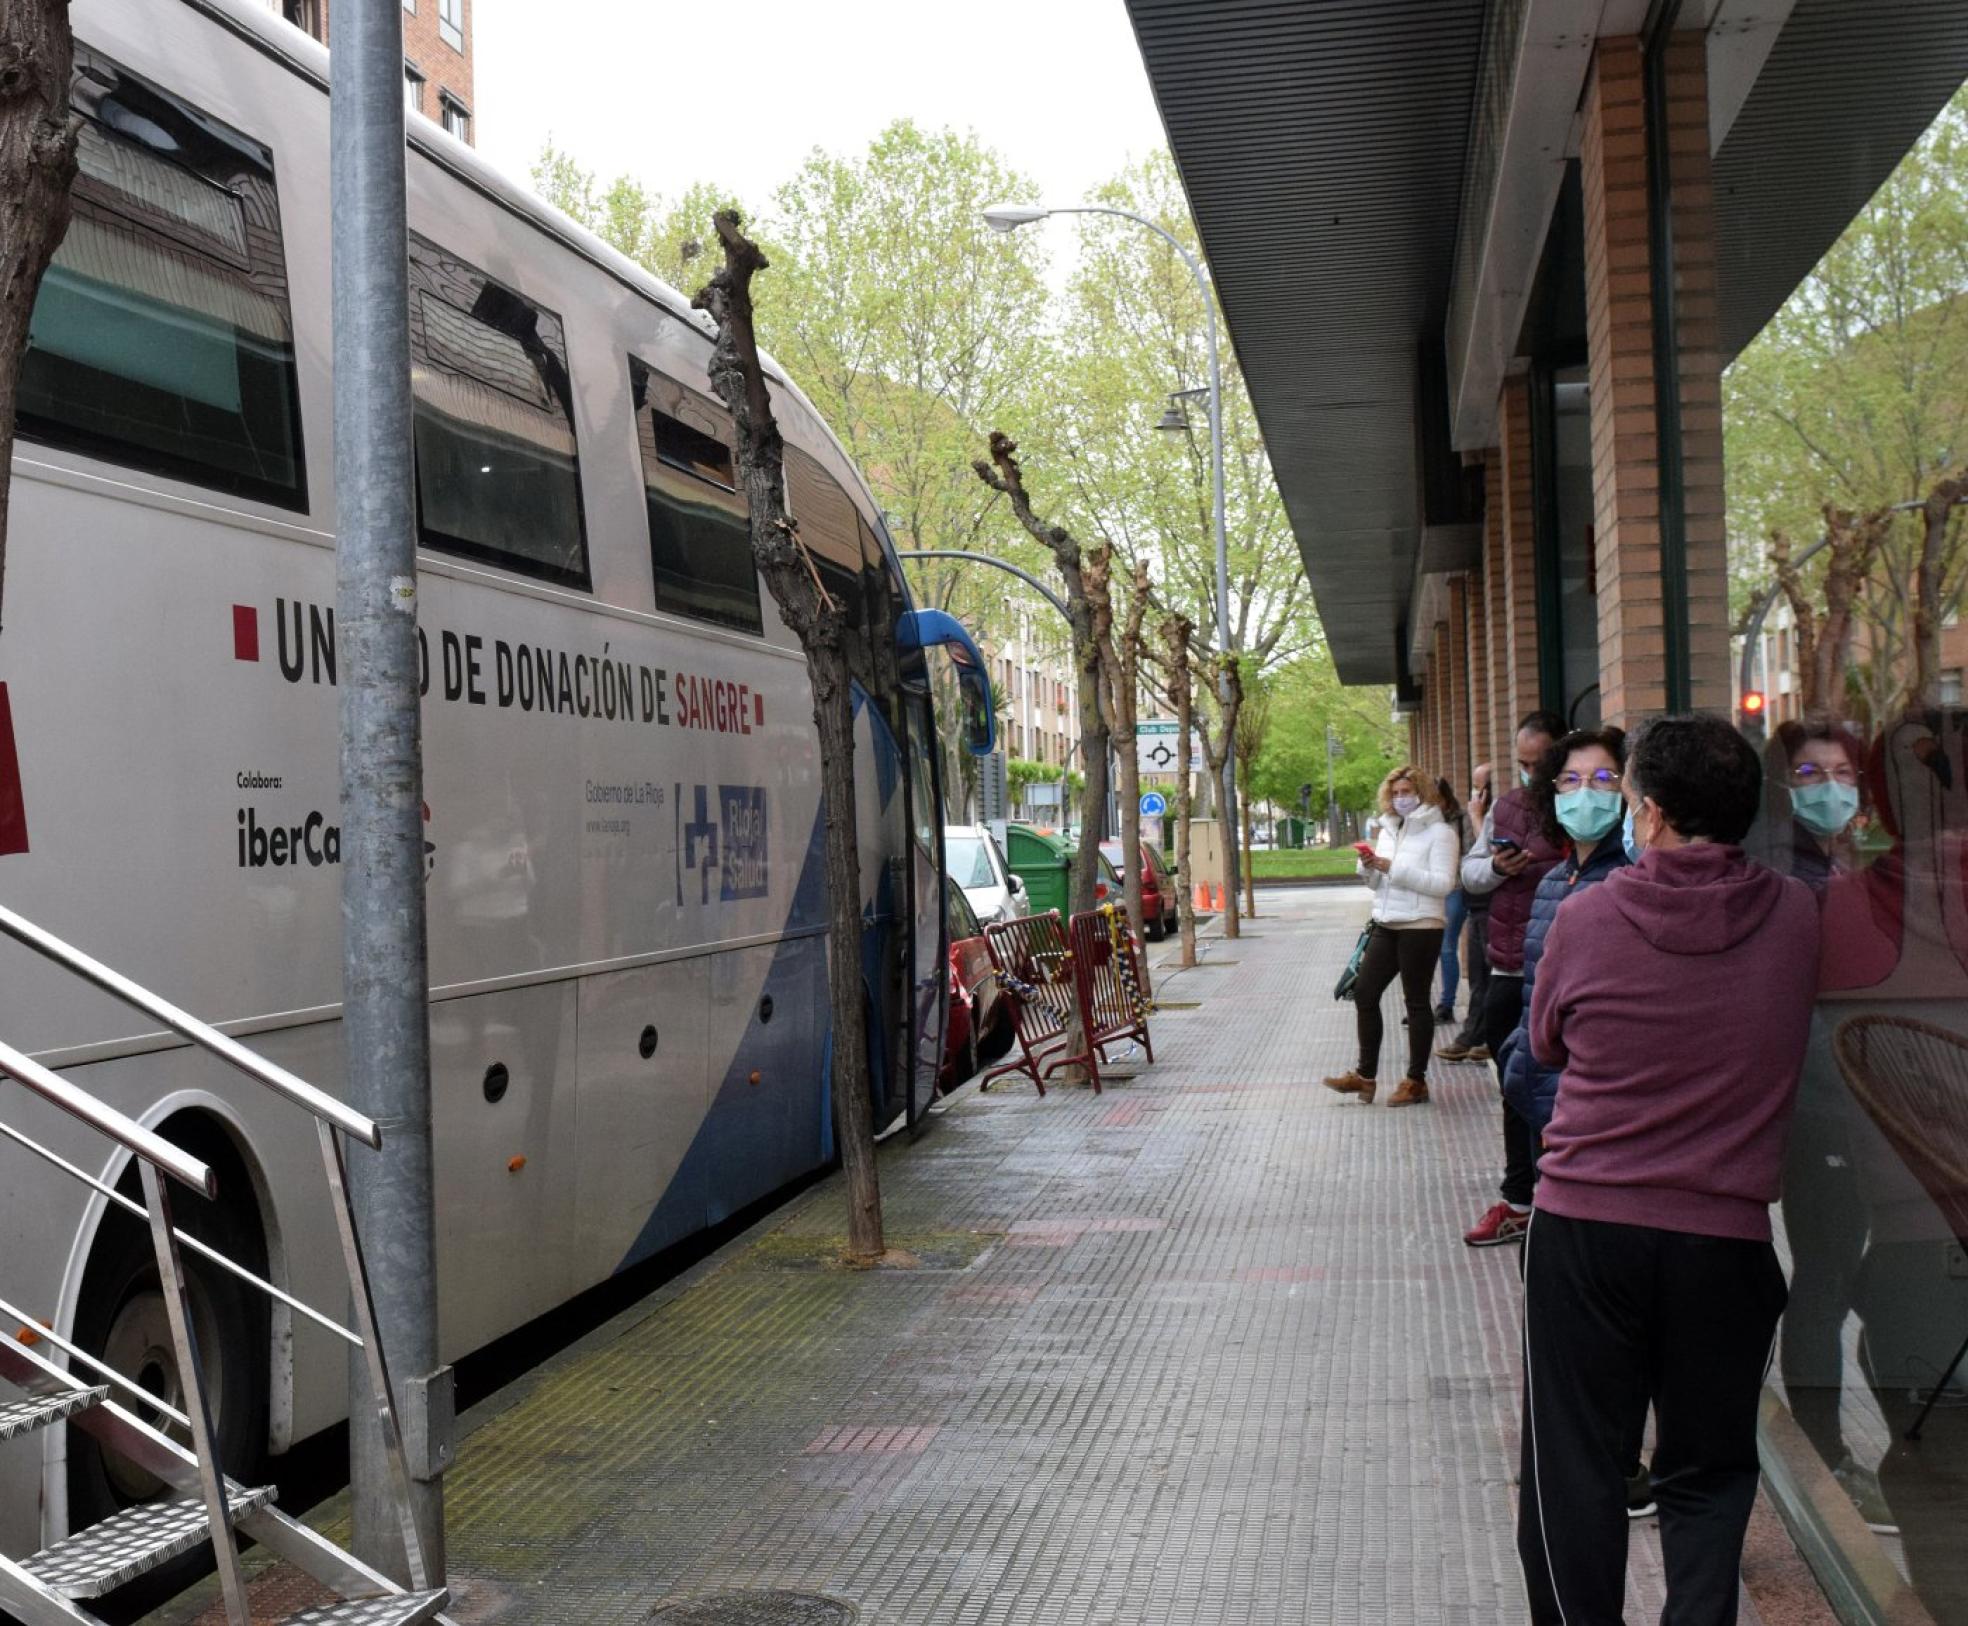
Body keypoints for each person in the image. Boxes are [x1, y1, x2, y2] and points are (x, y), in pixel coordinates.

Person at [1515, 713, 1820, 1626]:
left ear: (1645, 814)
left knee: (1572, 1474)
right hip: (1724, 1243)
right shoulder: (1798, 915)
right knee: (1709, 1473)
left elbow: (1545, 1041)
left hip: (1585, 1232)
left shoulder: (1587, 915)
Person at [1480, 728, 1629, 1244]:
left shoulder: (1631, 882)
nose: (1585, 792)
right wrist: (1520, 1066)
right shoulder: (1553, 882)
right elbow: (1536, 1003)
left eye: (1604, 778)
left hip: (1598, 1122)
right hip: (1549, 1110)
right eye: (1570, 780)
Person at [1447, 711, 1565, 1246]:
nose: (1527, 774)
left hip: (1565, 976)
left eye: (1538, 765)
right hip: (1510, 967)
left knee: (1564, 1091)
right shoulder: (1508, 808)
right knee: (1516, 1085)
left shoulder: (1593, 812)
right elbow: (1471, 872)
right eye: (1521, 764)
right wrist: (1499, 869)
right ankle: (1521, 1197)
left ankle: (1561, 1196)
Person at [1323, 766, 1459, 1106]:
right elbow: (1377, 884)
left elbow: (1443, 884)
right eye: (1395, 792)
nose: (1400, 798)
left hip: (1421, 925)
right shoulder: (1387, 829)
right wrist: (1368, 868)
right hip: (1386, 921)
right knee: (1365, 993)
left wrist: (1391, 868)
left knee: (1415, 1001)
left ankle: (1416, 1081)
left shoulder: (1441, 833)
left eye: (1406, 792)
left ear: (1423, 793)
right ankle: (1365, 1077)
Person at [1440, 762, 1495, 1053]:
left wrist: (1476, 816)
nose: (1476, 794)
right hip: (1476, 902)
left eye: (1481, 787)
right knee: (1477, 971)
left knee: (1489, 972)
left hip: (1480, 898)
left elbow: (1485, 851)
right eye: (1473, 786)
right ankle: (1476, 1032)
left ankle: (1479, 1033)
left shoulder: (1487, 815)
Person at [1435, 777, 1472, 1025]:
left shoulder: (1460, 820)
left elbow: (1469, 852)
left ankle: (1447, 1005)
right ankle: (1421, 1006)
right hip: (1430, 890)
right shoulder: (1420, 823)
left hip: (1455, 888)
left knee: (1447, 944)